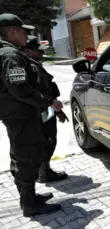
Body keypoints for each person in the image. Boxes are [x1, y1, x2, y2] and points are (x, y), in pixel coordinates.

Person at [0, 13, 64, 217]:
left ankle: (30, 196)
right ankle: (29, 203)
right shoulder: (10, 55)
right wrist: (49, 102)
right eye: (23, 32)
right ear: (12, 32)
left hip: (19, 114)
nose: (27, 37)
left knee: (21, 155)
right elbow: (20, 88)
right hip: (21, 115)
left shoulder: (8, 52)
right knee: (27, 156)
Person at [23, 35, 69, 183]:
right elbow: (44, 94)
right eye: (38, 51)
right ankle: (44, 173)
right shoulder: (33, 67)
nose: (42, 54)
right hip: (43, 112)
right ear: (28, 51)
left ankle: (41, 172)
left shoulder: (29, 65)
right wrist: (57, 111)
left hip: (38, 112)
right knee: (48, 140)